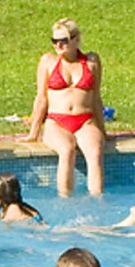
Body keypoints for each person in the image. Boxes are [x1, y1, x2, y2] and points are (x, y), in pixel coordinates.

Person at [22, 18, 106, 197]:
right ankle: (65, 201)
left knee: (95, 153)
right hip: (57, 122)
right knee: (67, 150)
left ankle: (98, 202)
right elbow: (41, 98)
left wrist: (102, 131)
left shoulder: (91, 62)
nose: (58, 45)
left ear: (77, 40)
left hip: (85, 121)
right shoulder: (48, 61)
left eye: (63, 40)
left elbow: (96, 98)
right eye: (54, 41)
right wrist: (33, 133)